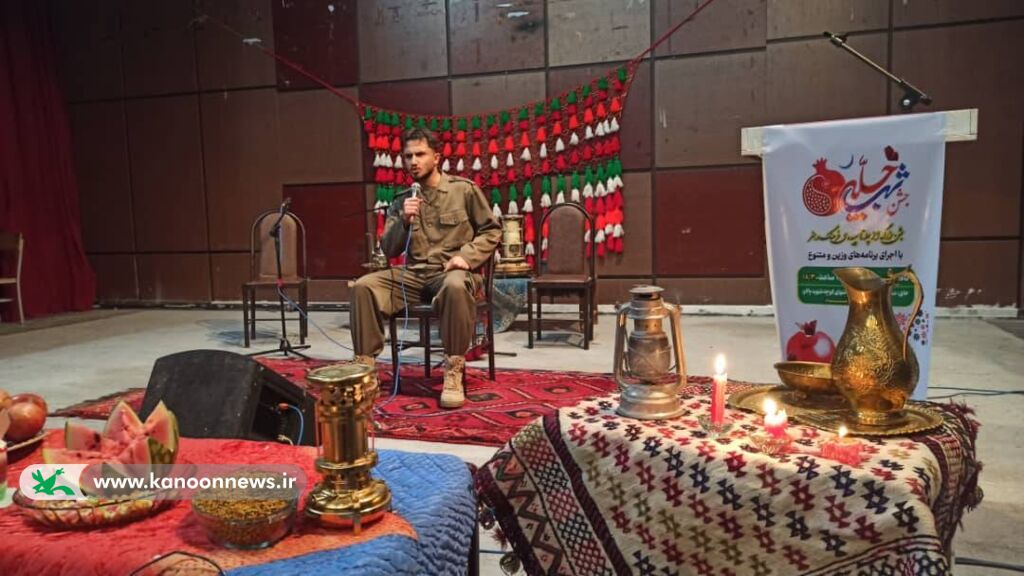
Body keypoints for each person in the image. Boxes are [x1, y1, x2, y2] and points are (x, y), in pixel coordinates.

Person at [349, 127, 501, 408]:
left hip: (451, 274)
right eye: (408, 156)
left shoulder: (463, 190)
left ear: (437, 158)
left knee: (455, 285)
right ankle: (365, 370)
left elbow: (492, 230)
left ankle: (453, 370)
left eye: (420, 154)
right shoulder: (402, 200)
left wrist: (466, 257)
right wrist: (404, 221)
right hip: (414, 275)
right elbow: (390, 249)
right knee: (363, 286)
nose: (413, 161)